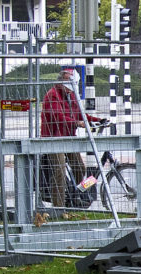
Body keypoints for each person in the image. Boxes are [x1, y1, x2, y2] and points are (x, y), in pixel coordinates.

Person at [40, 68, 102, 207]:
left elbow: (80, 114)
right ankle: (59, 207)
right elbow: (58, 116)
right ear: (61, 82)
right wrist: (77, 123)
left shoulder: (72, 96)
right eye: (68, 84)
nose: (70, 89)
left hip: (69, 138)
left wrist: (97, 120)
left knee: (79, 167)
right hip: (54, 139)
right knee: (59, 170)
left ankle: (76, 195)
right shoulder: (52, 95)